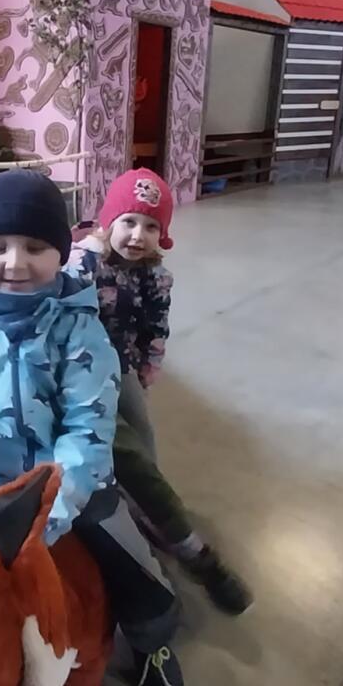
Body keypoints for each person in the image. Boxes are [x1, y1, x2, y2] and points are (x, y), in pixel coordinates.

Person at [0, 169, 185, 686]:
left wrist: (51, 512)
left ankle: (152, 645)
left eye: (35, 247)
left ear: (61, 253)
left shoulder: (81, 328)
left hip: (75, 488)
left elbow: (88, 428)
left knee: (134, 568)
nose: (15, 263)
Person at [73, 168, 252, 615]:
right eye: (129, 221)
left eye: (151, 226)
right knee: (115, 446)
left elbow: (156, 325)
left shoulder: (156, 276)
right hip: (84, 374)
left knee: (142, 435)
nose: (138, 235)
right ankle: (139, 506)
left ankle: (150, 507)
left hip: (124, 367)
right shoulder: (85, 265)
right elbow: (64, 304)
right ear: (109, 221)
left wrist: (149, 366)